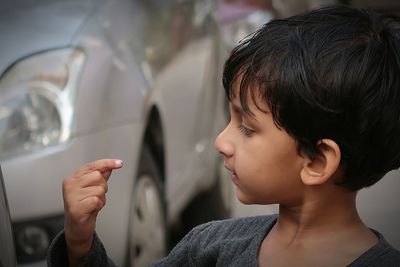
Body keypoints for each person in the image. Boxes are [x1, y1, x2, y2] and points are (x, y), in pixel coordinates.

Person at [47, 5, 400, 267]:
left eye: (247, 128)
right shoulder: (211, 247)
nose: (221, 142)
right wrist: (80, 245)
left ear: (318, 160)